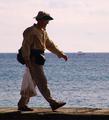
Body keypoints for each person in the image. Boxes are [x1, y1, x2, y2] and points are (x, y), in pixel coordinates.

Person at [18, 11, 68, 111]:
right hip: (32, 60)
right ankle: (52, 103)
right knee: (42, 81)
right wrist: (27, 59)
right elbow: (26, 46)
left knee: (32, 82)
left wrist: (61, 54)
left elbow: (50, 45)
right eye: (46, 20)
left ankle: (22, 104)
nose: (48, 22)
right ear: (40, 20)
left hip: (38, 59)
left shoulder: (43, 32)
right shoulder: (30, 31)